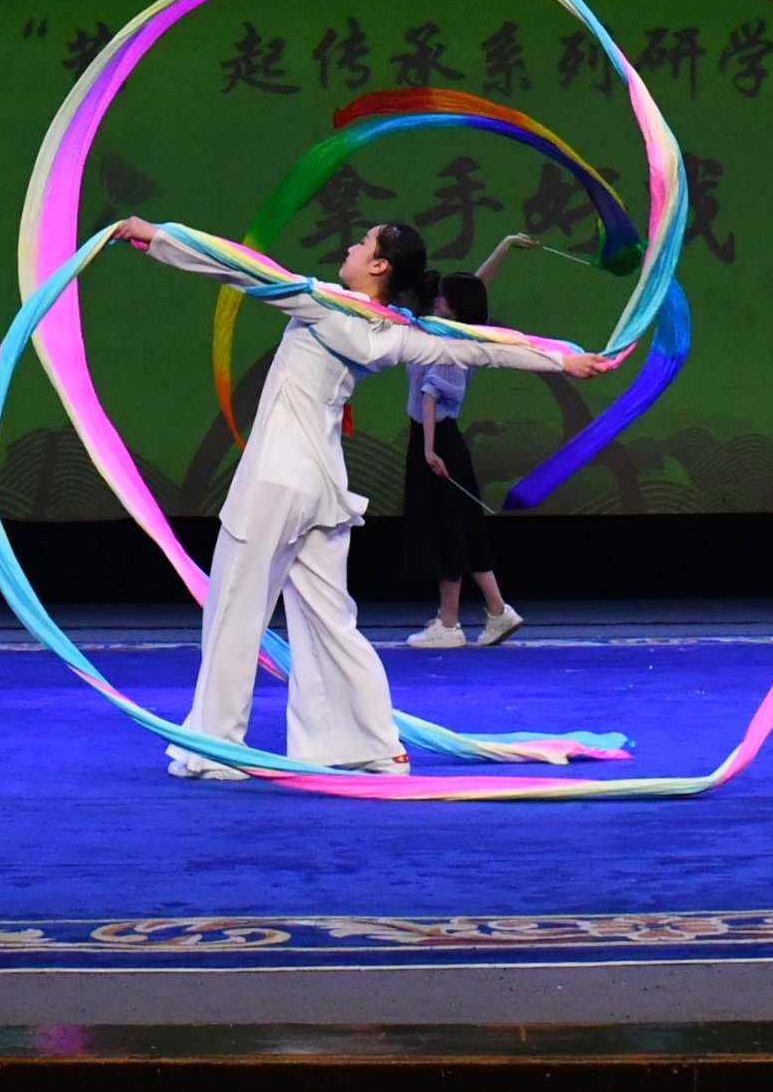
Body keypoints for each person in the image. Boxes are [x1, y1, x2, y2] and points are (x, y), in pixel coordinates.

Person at [117, 215, 612, 778]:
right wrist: (563, 359)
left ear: (378, 265)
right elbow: (481, 347)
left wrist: (159, 236)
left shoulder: (325, 305)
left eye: (362, 243)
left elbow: (244, 269)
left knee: (234, 613)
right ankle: (367, 744)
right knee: (329, 622)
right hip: (321, 491)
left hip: (275, 484)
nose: (351, 247)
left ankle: (214, 749)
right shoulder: (396, 332)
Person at [402, 240, 532, 649]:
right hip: (442, 440)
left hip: (437, 440)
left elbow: (430, 397)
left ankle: (449, 624)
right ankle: (497, 610)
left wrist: (428, 449)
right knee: (464, 527)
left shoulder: (451, 347)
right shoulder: (459, 331)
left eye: (445, 298)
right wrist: (504, 247)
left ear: (455, 309)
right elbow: (476, 284)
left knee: (447, 530)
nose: (438, 300)